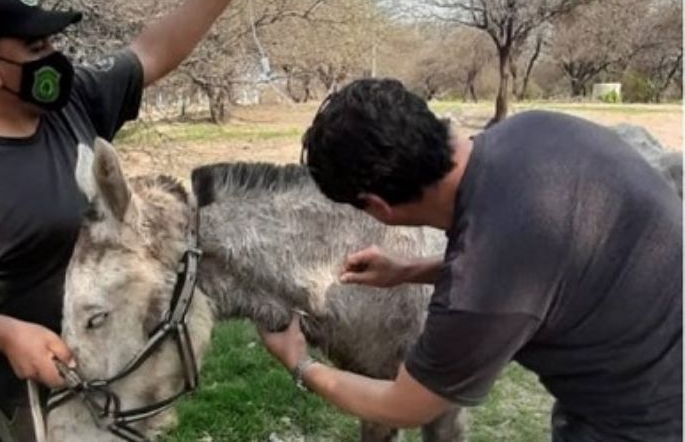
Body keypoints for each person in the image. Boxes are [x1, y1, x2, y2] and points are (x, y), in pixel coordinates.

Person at [0, 0, 241, 439]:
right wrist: (7, 334)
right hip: (33, 399)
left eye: (52, 42)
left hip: (106, 369)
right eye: (36, 48)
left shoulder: (72, 103)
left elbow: (152, 51)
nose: (54, 57)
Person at [259, 78, 682, 441]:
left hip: (644, 420)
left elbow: (404, 406)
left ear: (377, 206)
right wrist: (408, 271)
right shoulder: (532, 128)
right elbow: (546, 265)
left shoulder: (480, 283)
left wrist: (300, 363)